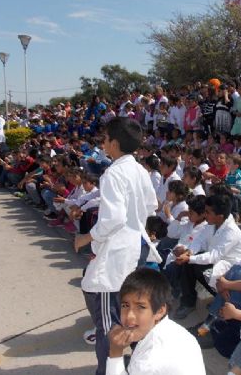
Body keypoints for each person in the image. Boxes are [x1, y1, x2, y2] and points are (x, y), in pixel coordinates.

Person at [74, 117, 158, 375]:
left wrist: (86, 237)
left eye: (106, 139)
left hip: (120, 253)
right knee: (133, 312)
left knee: (110, 322)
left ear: (115, 143)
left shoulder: (113, 173)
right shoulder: (139, 170)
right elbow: (151, 205)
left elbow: (112, 219)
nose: (103, 144)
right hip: (137, 246)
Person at [105, 267, 205, 375]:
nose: (129, 316)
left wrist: (115, 351)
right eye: (125, 305)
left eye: (140, 307)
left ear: (160, 311)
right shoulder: (174, 329)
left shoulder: (148, 363)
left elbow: (147, 367)